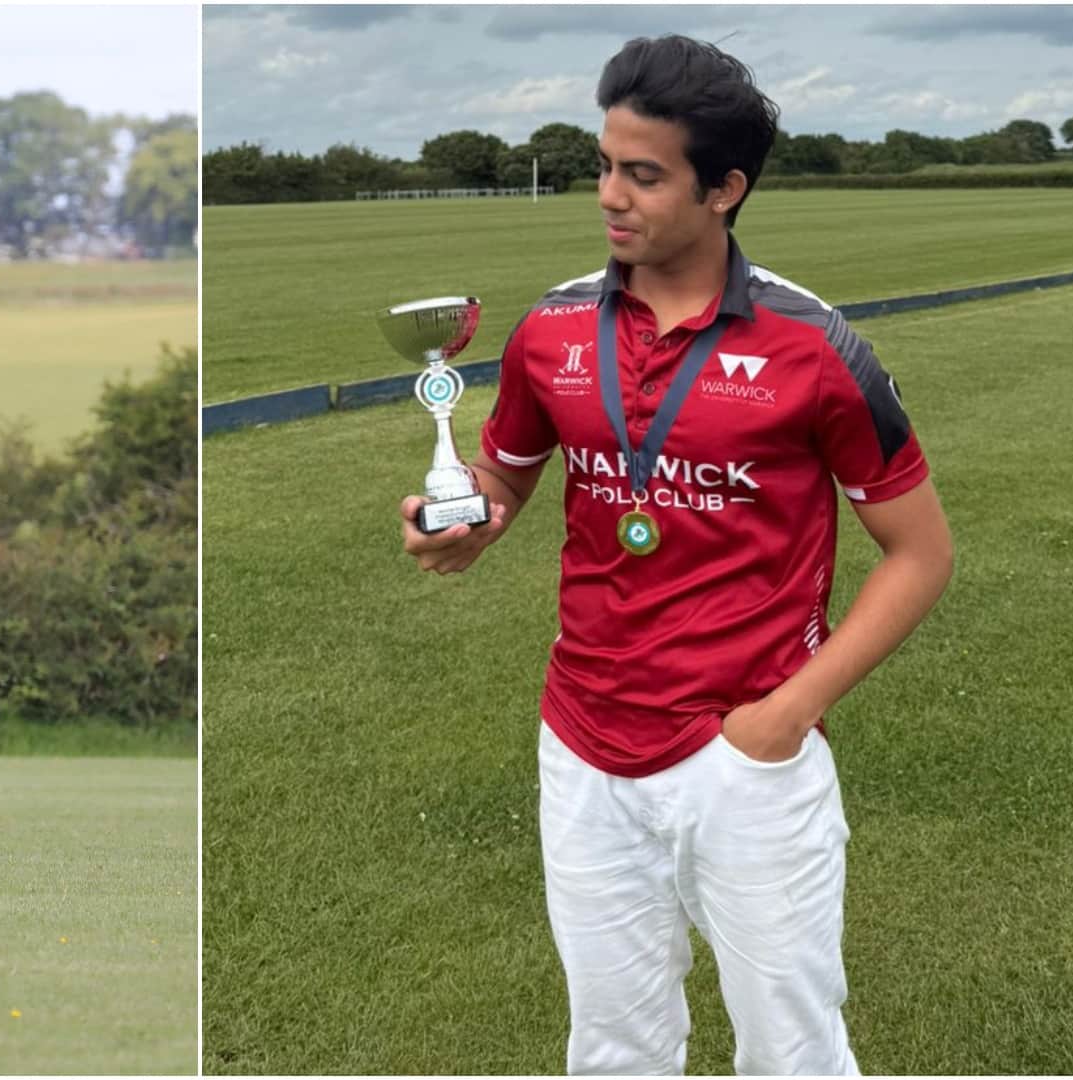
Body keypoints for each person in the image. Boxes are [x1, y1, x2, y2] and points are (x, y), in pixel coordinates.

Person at [401, 36, 954, 1076]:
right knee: (612, 1044)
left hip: (743, 754)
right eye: (604, 165)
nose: (610, 196)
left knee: (791, 1047)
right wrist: (467, 516)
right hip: (581, 740)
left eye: (643, 175)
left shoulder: (816, 346)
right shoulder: (552, 328)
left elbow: (920, 554)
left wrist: (784, 716)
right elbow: (510, 475)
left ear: (725, 190)